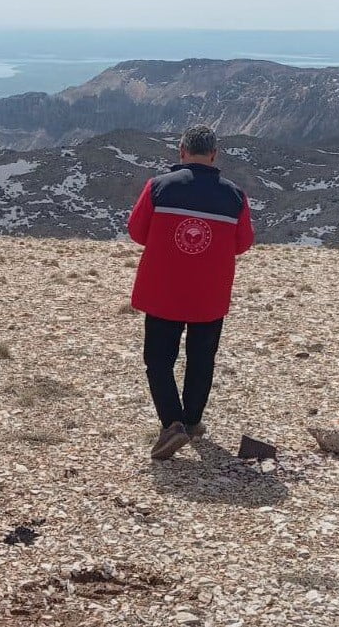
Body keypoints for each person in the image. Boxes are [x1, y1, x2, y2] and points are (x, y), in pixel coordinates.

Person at [128, 124, 255, 460]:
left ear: (181, 151)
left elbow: (137, 232)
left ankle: (172, 424)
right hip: (209, 294)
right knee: (201, 360)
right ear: (214, 154)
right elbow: (243, 243)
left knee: (158, 360)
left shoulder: (158, 187)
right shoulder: (234, 196)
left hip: (163, 290)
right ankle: (193, 421)